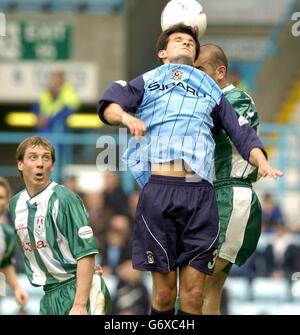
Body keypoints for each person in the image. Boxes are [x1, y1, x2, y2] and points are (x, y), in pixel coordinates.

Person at [97, 24, 282, 315]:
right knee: (164, 296)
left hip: (200, 196)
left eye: (190, 42)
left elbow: (241, 131)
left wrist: (262, 161)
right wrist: (125, 118)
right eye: (178, 40)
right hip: (159, 193)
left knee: (194, 296)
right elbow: (109, 102)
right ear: (163, 53)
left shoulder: (211, 90)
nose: (185, 44)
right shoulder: (148, 81)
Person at [193, 43, 273, 314]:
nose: (195, 75)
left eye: (199, 69)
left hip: (231, 195)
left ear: (220, 72)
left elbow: (210, 128)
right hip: (215, 195)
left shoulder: (235, 98)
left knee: (198, 285)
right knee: (208, 290)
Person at [8, 136, 111, 315]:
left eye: (46, 158)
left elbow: (86, 252)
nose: (40, 163)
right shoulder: (15, 204)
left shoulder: (65, 199)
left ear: (52, 166)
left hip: (77, 290)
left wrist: (79, 304)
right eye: (33, 157)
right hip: (49, 294)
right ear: (20, 164)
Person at [0, 176, 29, 309]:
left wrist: (17, 288)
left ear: (6, 203)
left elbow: (5, 263)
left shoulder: (7, 233)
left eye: (0, 197)